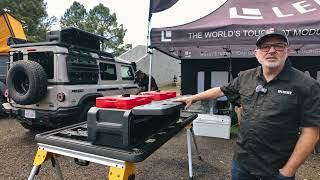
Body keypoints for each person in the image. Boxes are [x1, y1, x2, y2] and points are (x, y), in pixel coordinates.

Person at [177, 28, 320, 180]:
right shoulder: (246, 77)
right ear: (256, 53)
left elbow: (311, 131)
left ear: (287, 50)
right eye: (265, 47)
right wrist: (193, 97)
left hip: (276, 169)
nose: (271, 50)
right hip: (242, 165)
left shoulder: (307, 85)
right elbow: (221, 90)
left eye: (278, 45)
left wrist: (288, 171)